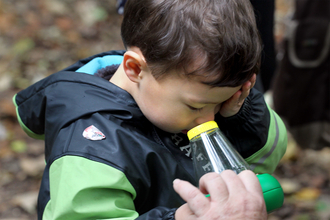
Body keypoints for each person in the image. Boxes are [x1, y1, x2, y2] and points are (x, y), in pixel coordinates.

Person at [13, 0, 287, 219]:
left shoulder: (178, 90)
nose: (209, 119)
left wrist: (240, 114)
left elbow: (267, 158)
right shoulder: (92, 147)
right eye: (196, 105)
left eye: (220, 103)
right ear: (134, 69)